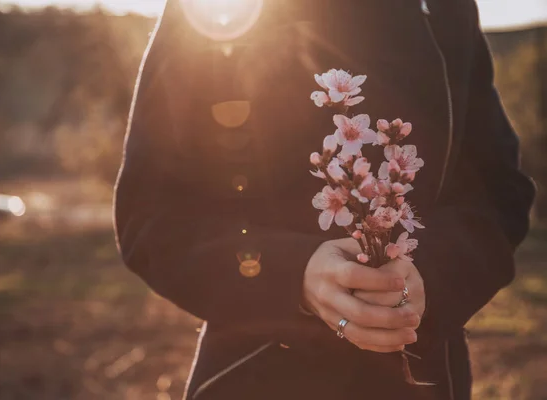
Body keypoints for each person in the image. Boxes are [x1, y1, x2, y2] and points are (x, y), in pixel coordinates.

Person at [114, 0, 536, 399]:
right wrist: (293, 275)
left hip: (423, 379)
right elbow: (151, 215)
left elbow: (498, 194)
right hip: (255, 376)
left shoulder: (447, 7)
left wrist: (432, 278)